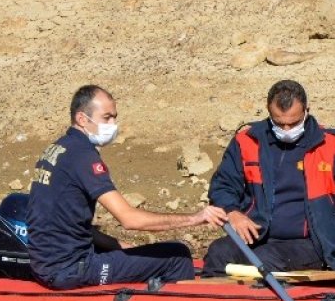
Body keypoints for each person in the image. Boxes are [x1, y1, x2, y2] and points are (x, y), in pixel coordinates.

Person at [27, 84, 228, 289]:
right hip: (71, 269)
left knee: (135, 252)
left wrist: (118, 246)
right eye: (106, 118)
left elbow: (72, 223)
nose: (113, 124)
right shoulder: (83, 156)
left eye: (114, 117)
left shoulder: (58, 149)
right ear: (81, 119)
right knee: (178, 255)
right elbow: (129, 219)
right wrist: (195, 218)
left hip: (46, 265)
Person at [202, 79, 335, 276]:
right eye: (279, 123)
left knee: (264, 259)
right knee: (218, 252)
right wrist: (233, 212)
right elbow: (223, 185)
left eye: (293, 123)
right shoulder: (246, 141)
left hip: (311, 243)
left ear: (307, 110)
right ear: (268, 112)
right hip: (258, 235)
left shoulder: (332, 145)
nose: (286, 130)